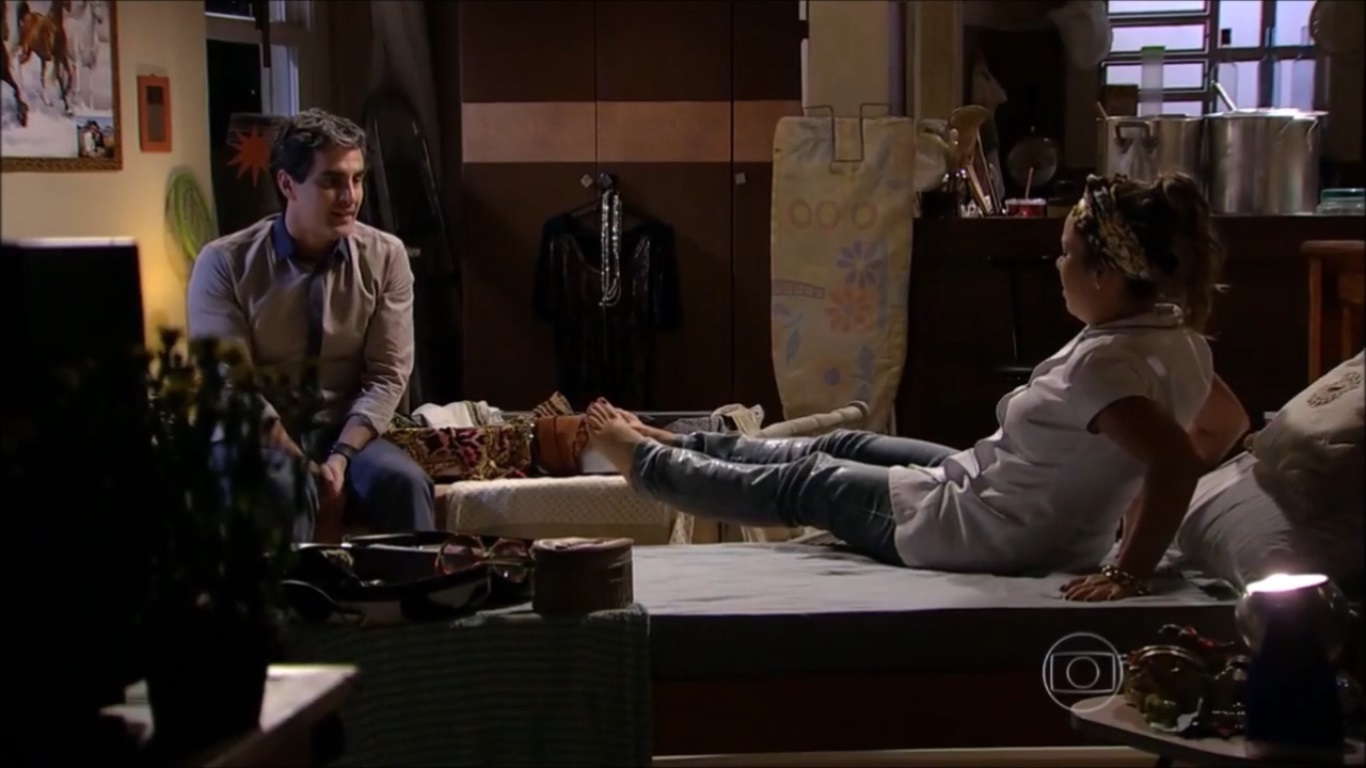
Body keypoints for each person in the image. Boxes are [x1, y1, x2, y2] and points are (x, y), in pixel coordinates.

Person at [587, 172, 1229, 601]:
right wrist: (1118, 502)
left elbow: (1173, 461)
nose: (1057, 265)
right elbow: (1222, 428)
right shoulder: (1179, 342)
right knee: (848, 443)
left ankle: (647, 464)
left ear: (1105, 276)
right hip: (999, 495)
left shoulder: (1107, 367)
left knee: (812, 481)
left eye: (1066, 253)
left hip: (986, 530)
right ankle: (680, 444)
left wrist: (1128, 567)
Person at [187, 108, 434, 543]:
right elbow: (231, 385)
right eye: (331, 181)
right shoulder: (224, 263)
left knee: (406, 483)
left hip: (344, 431)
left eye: (357, 179)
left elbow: (388, 375)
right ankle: (291, 591)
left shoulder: (386, 256)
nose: (350, 197)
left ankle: (417, 587)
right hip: (258, 435)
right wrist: (300, 461)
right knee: (283, 491)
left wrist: (340, 456)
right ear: (287, 185)